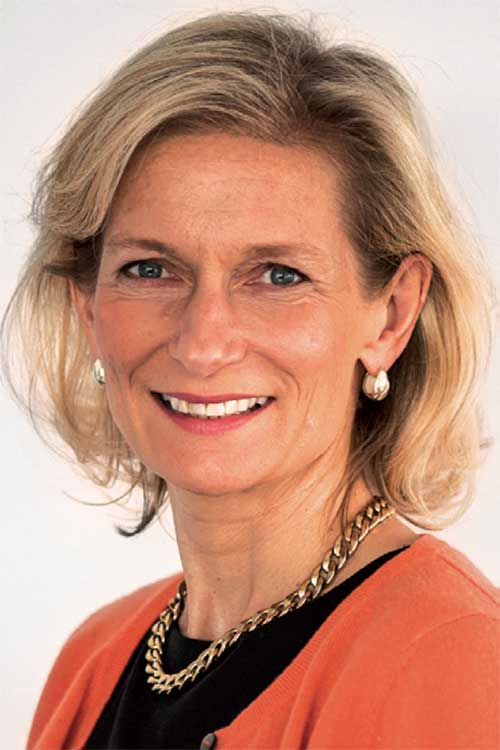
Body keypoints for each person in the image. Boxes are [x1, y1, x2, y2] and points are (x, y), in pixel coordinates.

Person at [2, 10, 497, 750]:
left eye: (278, 275)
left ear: (392, 315)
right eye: (150, 269)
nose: (203, 344)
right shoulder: (93, 661)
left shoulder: (449, 660)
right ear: (88, 307)